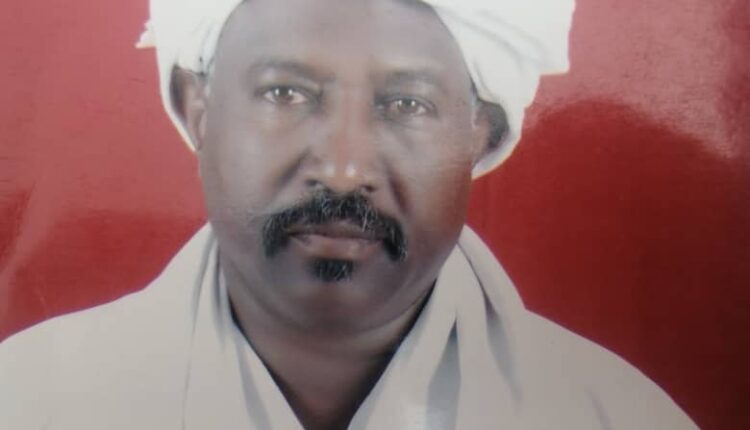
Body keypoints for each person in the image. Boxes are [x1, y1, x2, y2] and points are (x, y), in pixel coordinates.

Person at [0, 0, 699, 429]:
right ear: (197, 108)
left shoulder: (613, 416)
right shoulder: (31, 402)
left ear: (482, 136)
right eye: (285, 93)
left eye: (407, 105)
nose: (342, 168)